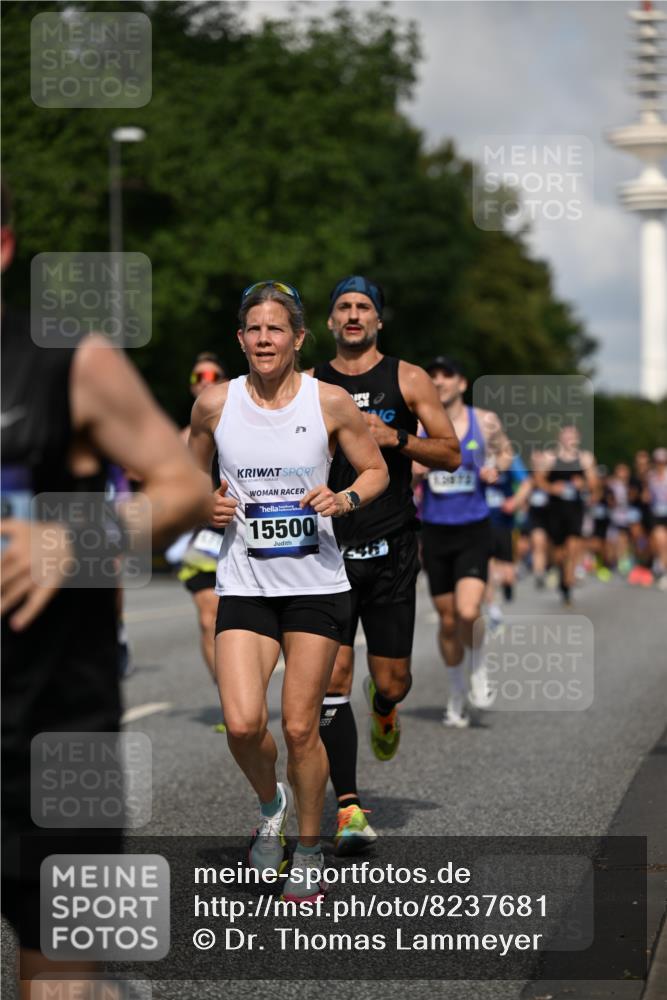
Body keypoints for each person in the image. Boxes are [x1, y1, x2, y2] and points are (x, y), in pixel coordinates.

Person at [1, 182, 212, 999]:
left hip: (53, 737)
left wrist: (76, 536)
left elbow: (183, 487)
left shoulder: (68, 362)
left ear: (4, 247)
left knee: (58, 977)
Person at [188, 280, 388, 901]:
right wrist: (203, 504)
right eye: (254, 329)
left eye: (276, 328)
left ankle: (306, 850)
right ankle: (270, 804)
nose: (264, 338)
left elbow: (375, 469)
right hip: (245, 584)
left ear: (298, 338)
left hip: (315, 588)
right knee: (243, 723)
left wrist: (345, 497)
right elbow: (183, 480)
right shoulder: (214, 405)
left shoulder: (330, 402)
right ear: (240, 338)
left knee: (301, 728)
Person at [311, 277, 459, 855]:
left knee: (394, 680)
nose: (353, 315)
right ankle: (348, 806)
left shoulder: (408, 378)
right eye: (344, 307)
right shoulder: (310, 384)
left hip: (392, 548)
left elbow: (450, 452)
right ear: (330, 321)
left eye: (363, 307)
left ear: (378, 320)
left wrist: (395, 436)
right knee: (332, 679)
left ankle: (384, 705)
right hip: (328, 549)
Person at [414, 356, 512, 729]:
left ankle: (479, 667)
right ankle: (456, 691)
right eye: (433, 375)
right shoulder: (421, 424)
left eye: (447, 375)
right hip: (435, 530)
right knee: (448, 620)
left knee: (469, 612)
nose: (439, 380)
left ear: (461, 383)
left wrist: (495, 467)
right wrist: (416, 470)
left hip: (473, 528)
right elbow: (407, 470)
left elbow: (505, 452)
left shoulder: (484, 420)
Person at [176, 353, 228, 697]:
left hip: (246, 528)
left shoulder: (246, 418)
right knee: (209, 617)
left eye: (212, 375)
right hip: (204, 534)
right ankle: (229, 700)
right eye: (197, 377)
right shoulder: (183, 437)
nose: (204, 381)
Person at [533, 426, 597, 606]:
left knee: (573, 544)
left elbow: (594, 484)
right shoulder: (550, 457)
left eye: (573, 435)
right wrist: (552, 488)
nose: (569, 439)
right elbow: (538, 479)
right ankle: (562, 575)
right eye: (566, 435)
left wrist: (583, 484)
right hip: (555, 509)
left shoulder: (585, 458)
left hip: (575, 508)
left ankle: (568, 582)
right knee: (559, 550)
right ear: (560, 438)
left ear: (578, 438)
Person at [485, 453, 533, 632]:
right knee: (487, 566)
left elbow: (527, 483)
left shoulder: (510, 458)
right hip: (480, 522)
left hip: (504, 522)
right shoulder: (473, 451)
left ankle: (506, 585)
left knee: (507, 575)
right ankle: (493, 609)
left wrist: (515, 501)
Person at [646, 447, 667, 587]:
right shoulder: (651, 476)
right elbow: (647, 495)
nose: (660, 464)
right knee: (660, 541)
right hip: (656, 513)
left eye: (663, 461)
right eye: (658, 461)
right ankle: (662, 568)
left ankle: (662, 568)